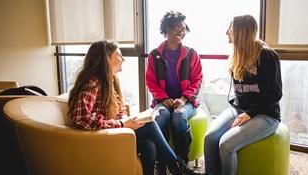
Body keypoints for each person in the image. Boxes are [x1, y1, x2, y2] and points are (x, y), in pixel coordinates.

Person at [68, 40, 196, 175]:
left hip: (110, 133)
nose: (123, 59)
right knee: (150, 124)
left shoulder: (111, 81)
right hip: (99, 139)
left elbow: (116, 111)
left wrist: (127, 120)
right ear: (106, 58)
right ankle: (177, 166)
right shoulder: (93, 82)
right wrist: (122, 123)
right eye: (119, 55)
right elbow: (80, 119)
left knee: (149, 144)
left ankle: (175, 167)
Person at [203, 15, 282, 175]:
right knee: (210, 138)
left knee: (226, 145)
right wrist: (242, 112)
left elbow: (275, 94)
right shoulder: (236, 56)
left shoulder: (267, 56)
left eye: (230, 28)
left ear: (241, 31)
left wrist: (250, 113)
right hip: (239, 110)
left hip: (265, 114)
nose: (227, 32)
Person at [145, 11, 203, 175]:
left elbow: (197, 79)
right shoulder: (154, 55)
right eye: (177, 27)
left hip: (186, 101)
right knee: (160, 119)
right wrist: (164, 98)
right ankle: (161, 165)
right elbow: (151, 81)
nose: (181, 31)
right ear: (167, 29)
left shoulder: (191, 54)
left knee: (178, 117)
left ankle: (181, 163)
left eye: (183, 28)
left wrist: (184, 98)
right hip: (163, 101)